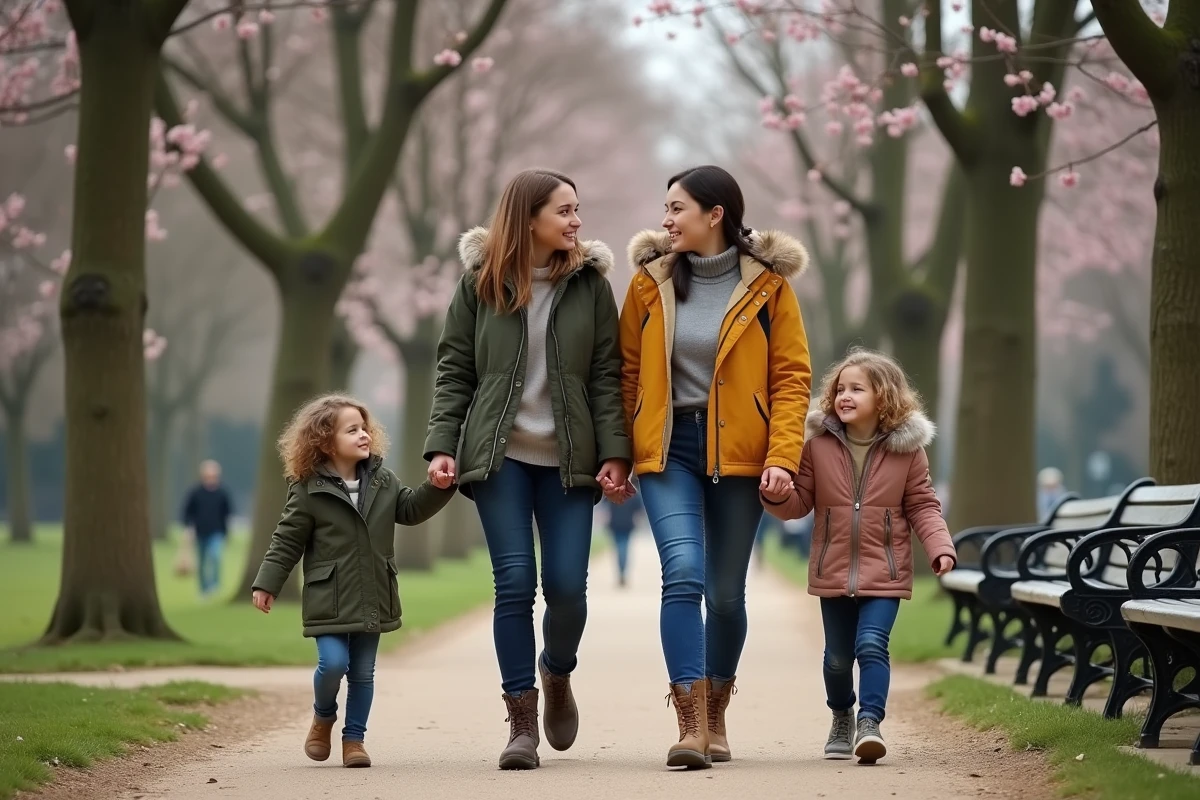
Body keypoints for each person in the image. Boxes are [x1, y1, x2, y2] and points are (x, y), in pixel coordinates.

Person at [424, 169, 632, 770]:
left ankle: (557, 672)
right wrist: (443, 445)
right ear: (529, 218)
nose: (577, 221)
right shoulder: (479, 283)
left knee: (567, 587)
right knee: (514, 585)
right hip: (499, 457)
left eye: (577, 209)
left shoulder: (590, 285)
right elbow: (455, 369)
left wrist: (614, 454)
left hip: (569, 458)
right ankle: (520, 721)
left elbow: (606, 375)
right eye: (565, 210)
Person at [619, 165, 812, 769]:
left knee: (727, 595)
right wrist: (622, 452)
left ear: (715, 214)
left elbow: (791, 379)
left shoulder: (770, 288)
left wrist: (782, 457)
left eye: (676, 208)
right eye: (665, 208)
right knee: (682, 573)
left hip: (742, 454)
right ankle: (691, 722)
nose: (666, 219)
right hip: (670, 449)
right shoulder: (648, 283)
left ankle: (718, 708)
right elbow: (625, 375)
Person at [760, 348, 957, 765]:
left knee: (871, 645)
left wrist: (940, 547)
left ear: (883, 397)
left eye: (856, 389)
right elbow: (799, 504)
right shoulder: (817, 447)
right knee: (836, 659)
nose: (843, 396)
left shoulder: (908, 452)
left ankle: (870, 722)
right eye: (839, 389)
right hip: (832, 570)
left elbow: (923, 505)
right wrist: (775, 497)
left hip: (884, 572)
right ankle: (841, 715)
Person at [250, 394, 455, 769]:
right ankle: (323, 715)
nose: (364, 435)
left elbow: (410, 510)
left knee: (362, 672)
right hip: (328, 596)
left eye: (364, 428)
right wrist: (267, 583)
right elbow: (286, 540)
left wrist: (439, 487)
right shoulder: (308, 489)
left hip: (373, 592)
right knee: (332, 664)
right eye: (352, 430)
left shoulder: (384, 481)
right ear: (325, 441)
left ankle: (354, 740)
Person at [181, 460, 234, 599]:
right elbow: (187, 512)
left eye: (214, 475)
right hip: (200, 532)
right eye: (208, 475)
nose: (211, 478)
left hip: (217, 532)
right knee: (202, 561)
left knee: (216, 556)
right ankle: (203, 589)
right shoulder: (195, 492)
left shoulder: (222, 493)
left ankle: (215, 585)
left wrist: (227, 533)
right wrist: (188, 528)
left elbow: (227, 514)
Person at [604, 488, 643, 587]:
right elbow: (639, 510)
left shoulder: (613, 489)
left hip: (615, 523)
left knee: (619, 548)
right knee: (624, 548)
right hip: (627, 524)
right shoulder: (633, 493)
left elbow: (605, 505)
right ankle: (622, 572)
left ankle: (621, 572)